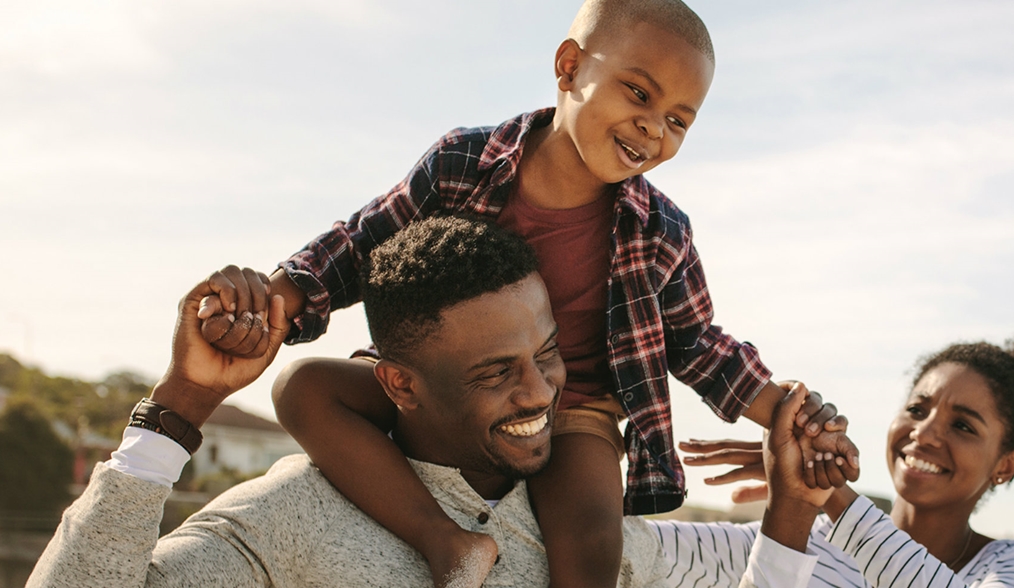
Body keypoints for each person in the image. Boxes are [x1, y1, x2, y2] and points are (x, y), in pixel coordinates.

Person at [188, 0, 855, 586]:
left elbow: (698, 346)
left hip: (574, 410)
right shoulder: (463, 164)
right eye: (639, 93)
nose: (655, 129)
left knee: (594, 539)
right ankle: (443, 539)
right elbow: (363, 245)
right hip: (444, 388)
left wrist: (788, 414)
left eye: (680, 120)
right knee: (302, 390)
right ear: (569, 66)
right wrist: (267, 300)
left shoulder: (661, 231)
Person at [27, 217, 675, 588]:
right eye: (495, 371)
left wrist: (782, 495)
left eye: (547, 352)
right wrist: (185, 401)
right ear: (398, 385)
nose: (540, 391)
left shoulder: (587, 529)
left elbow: (752, 568)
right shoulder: (295, 514)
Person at [642, 322, 1014, 588]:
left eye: (963, 425)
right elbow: (614, 548)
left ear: (1006, 463)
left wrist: (830, 496)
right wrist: (792, 504)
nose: (923, 433)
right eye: (916, 409)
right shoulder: (804, 536)